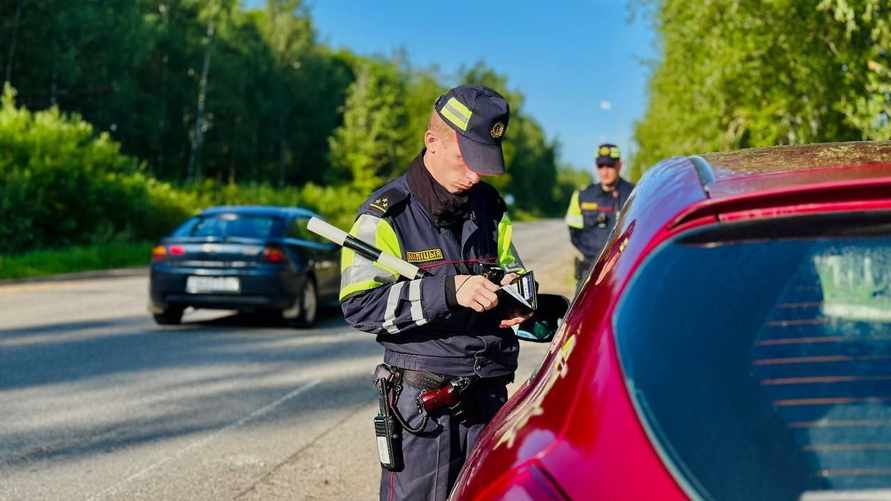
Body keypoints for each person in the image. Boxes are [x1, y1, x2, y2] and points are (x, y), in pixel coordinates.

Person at [339, 84, 530, 501]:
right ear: (432, 143)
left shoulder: (490, 208)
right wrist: (445, 292)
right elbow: (359, 306)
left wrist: (521, 299)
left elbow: (511, 269)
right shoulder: (388, 214)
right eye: (467, 160)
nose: (475, 174)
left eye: (484, 161)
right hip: (424, 409)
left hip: (489, 397)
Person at [564, 143, 635, 283]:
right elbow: (574, 235)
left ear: (620, 165)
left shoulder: (635, 193)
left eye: (610, 165)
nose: (605, 171)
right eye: (600, 166)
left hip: (624, 271)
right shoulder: (581, 196)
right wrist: (598, 258)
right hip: (590, 272)